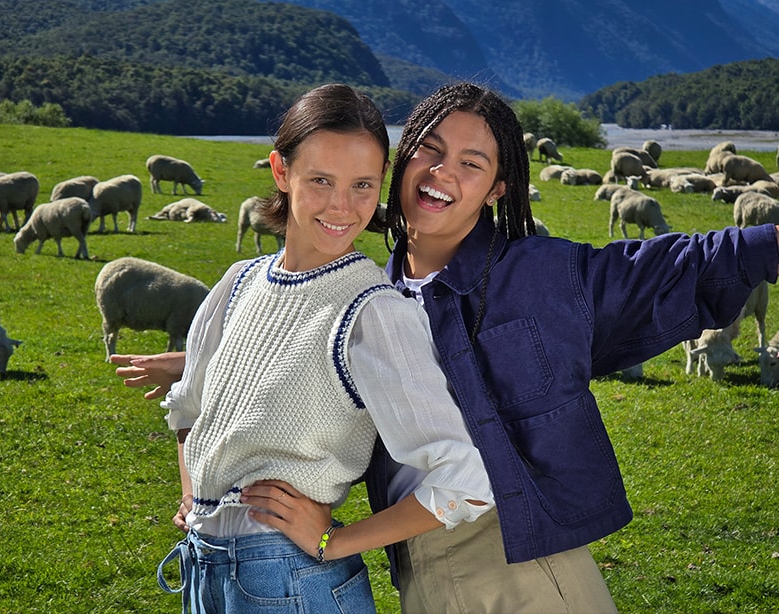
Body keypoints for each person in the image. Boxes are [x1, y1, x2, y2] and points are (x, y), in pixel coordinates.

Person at [115, 82, 779, 613]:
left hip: (520, 569)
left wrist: (769, 244)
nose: (441, 173)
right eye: (429, 150)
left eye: (471, 163)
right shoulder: (375, 288)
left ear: (497, 189)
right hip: (419, 571)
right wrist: (217, 361)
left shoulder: (541, 275)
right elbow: (348, 375)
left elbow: (684, 262)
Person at [139, 82, 494, 613]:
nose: (342, 206)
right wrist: (195, 496)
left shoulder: (374, 312)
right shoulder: (237, 284)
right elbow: (188, 409)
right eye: (321, 180)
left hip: (288, 578)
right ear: (281, 172)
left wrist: (336, 541)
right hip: (204, 565)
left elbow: (467, 478)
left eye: (362, 185)